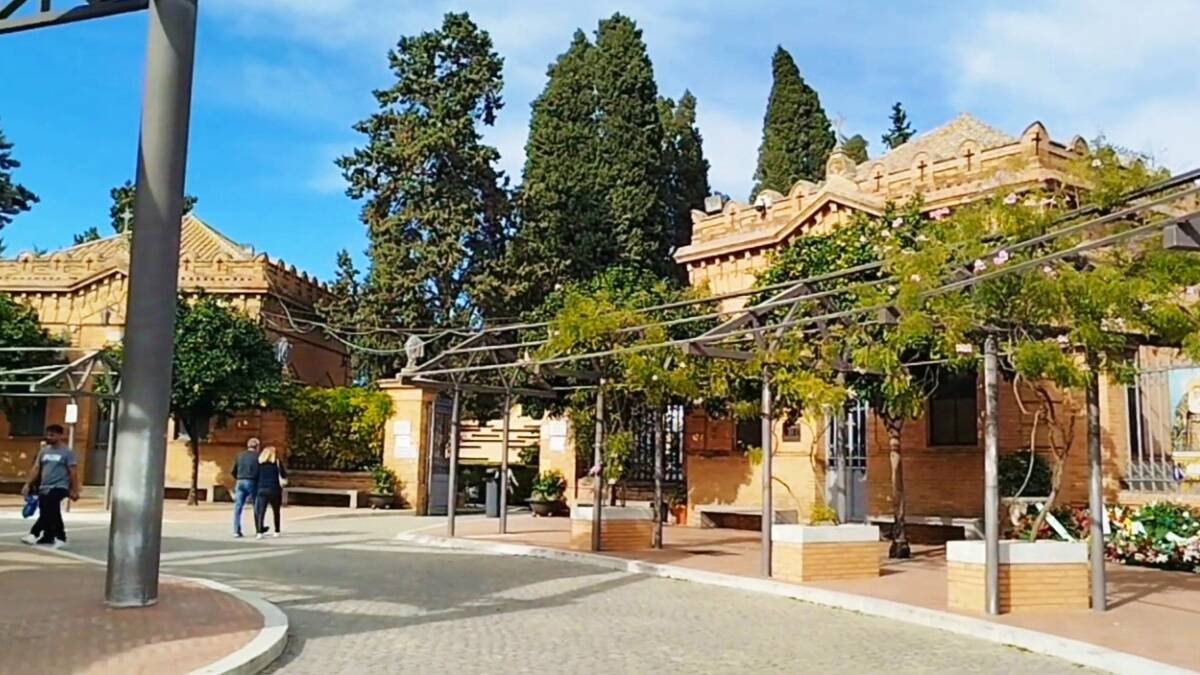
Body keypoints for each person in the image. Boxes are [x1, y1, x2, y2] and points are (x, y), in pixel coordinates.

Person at [20, 425, 79, 548]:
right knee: (45, 510)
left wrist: (74, 489)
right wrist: (28, 484)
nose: (49, 437)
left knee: (51, 508)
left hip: (60, 486)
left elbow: (73, 471)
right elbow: (36, 468)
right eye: (48, 434)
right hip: (44, 486)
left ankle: (54, 536)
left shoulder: (67, 452)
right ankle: (48, 536)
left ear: (60, 436)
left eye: (52, 435)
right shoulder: (44, 451)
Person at [253, 446, 287, 539]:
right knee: (276, 511)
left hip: (262, 489)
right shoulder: (277, 463)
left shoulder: (259, 464)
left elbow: (255, 476)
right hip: (274, 489)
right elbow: (283, 475)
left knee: (261, 512)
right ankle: (277, 531)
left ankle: (259, 532)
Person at [230, 437, 261, 538]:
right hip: (252, 481)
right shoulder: (258, 457)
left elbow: (233, 470)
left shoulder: (240, 455)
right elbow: (259, 471)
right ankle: (258, 529)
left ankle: (236, 530)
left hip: (240, 481)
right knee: (256, 506)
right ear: (257, 447)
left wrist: (238, 478)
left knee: (238, 507)